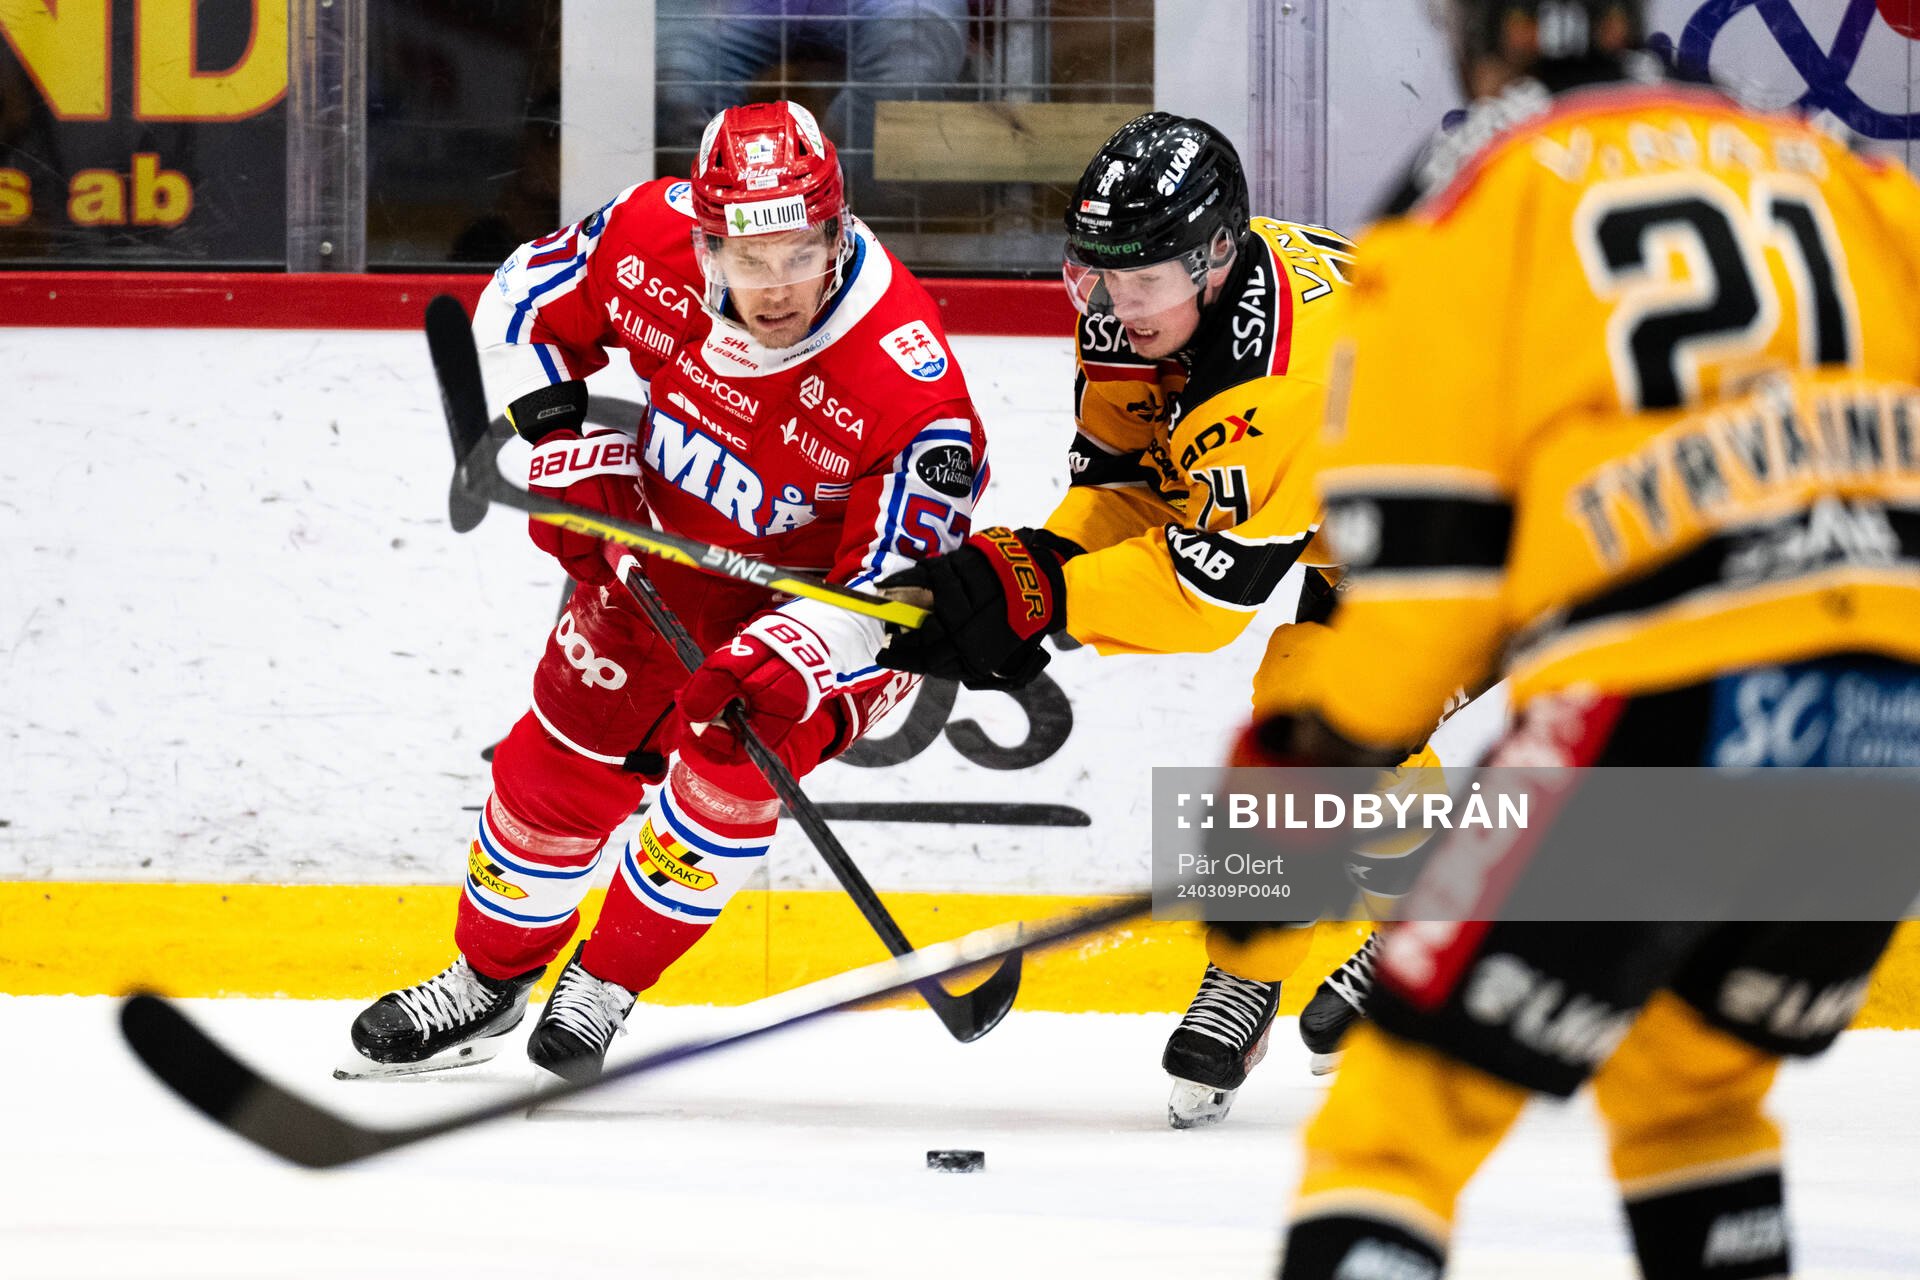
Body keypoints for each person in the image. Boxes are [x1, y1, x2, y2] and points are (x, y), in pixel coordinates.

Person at [1237, 2, 1920, 1276]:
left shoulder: (1472, 192)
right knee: (1690, 1098)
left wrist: (1281, 821)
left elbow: (1420, 600)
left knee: (1395, 1123)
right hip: (1886, 733)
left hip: (1665, 710)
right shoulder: (1831, 163)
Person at [347, 100, 986, 1083]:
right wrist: (562, 442)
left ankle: (605, 980)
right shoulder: (643, 232)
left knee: (728, 770)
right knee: (552, 777)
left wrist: (800, 656)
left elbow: (899, 596)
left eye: (800, 256)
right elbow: (518, 310)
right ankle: (487, 978)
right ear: (702, 235)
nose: (775, 289)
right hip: (650, 549)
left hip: (816, 619)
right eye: (745, 258)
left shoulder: (907, 384)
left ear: (838, 226)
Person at [877, 112, 1430, 1126]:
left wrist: (1040, 598)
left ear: (1215, 258)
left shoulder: (1275, 379)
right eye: (1097, 273)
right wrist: (1027, 562)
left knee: (1317, 701)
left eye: (1139, 281)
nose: (1111, 302)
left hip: (1489, 499)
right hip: (1342, 501)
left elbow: (1207, 595)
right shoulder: (1142, 302)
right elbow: (1134, 488)